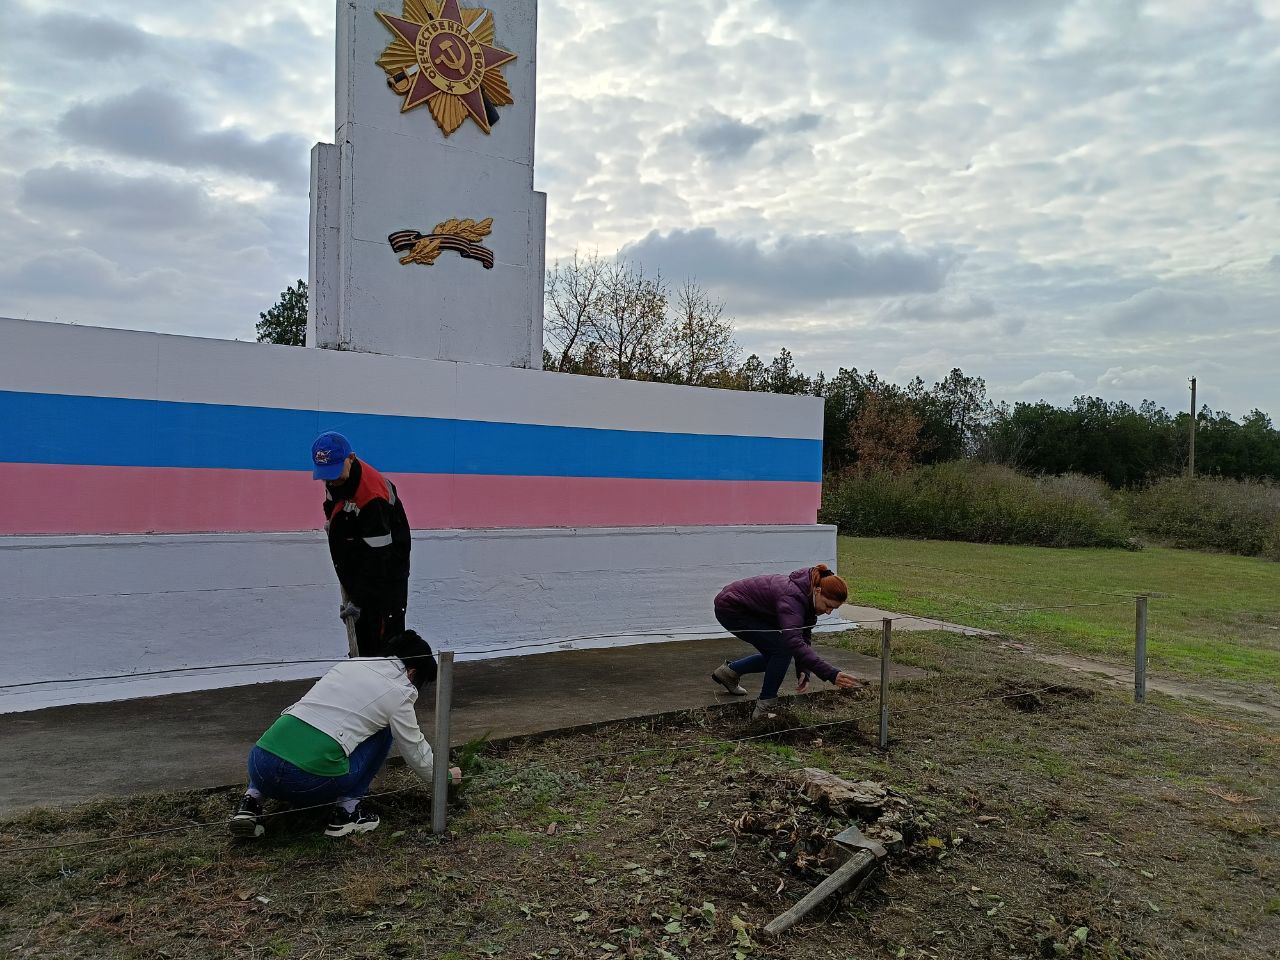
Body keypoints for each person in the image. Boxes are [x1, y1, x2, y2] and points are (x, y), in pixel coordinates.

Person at [229, 631, 460, 838]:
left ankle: (251, 803)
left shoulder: (349, 665)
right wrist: (445, 777)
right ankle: (347, 813)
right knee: (385, 732)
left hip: (259, 765)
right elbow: (414, 750)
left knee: (295, 724)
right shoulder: (400, 692)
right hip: (306, 782)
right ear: (412, 673)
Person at [710, 564, 864, 719]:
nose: (829, 611)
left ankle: (729, 673)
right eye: (828, 605)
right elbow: (794, 642)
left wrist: (804, 669)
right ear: (818, 591)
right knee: (782, 649)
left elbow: (803, 635)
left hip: (753, 611)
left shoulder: (807, 597)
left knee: (778, 654)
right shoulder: (793, 597)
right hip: (732, 608)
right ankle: (764, 709)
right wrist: (830, 673)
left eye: (833, 609)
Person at [311, 431, 412, 656]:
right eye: (326, 474)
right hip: (359, 560)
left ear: (351, 458)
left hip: (385, 574)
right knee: (362, 633)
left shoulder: (373, 496)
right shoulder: (333, 478)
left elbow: (379, 560)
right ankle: (363, 673)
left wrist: (357, 600)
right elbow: (331, 504)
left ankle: (389, 682)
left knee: (383, 637)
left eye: (336, 472)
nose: (332, 479)